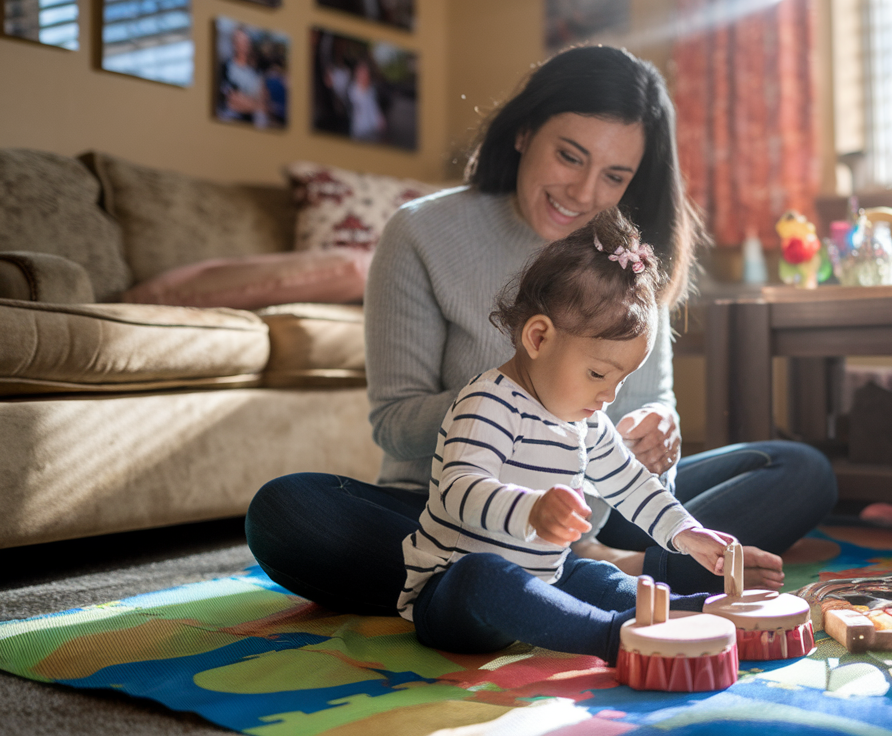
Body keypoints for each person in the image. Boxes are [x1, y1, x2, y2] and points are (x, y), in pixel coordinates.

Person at [245, 45, 836, 620]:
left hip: (596, 497)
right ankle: (598, 576)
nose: (584, 194)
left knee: (797, 469)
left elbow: (647, 408)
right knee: (287, 512)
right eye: (570, 156)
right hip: (450, 507)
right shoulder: (421, 233)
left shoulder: (625, 258)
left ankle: (566, 575)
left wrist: (660, 431)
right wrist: (519, 404)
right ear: (525, 131)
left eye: (615, 175)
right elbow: (395, 427)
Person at [401, 211, 730, 659]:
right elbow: (460, 491)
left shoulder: (585, 420)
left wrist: (685, 532)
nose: (608, 396)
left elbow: (632, 485)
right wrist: (531, 510)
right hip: (455, 596)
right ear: (538, 338)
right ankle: (611, 637)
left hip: (545, 579)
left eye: (619, 381)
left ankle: (685, 613)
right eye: (598, 373)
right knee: (488, 576)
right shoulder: (488, 402)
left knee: (595, 576)